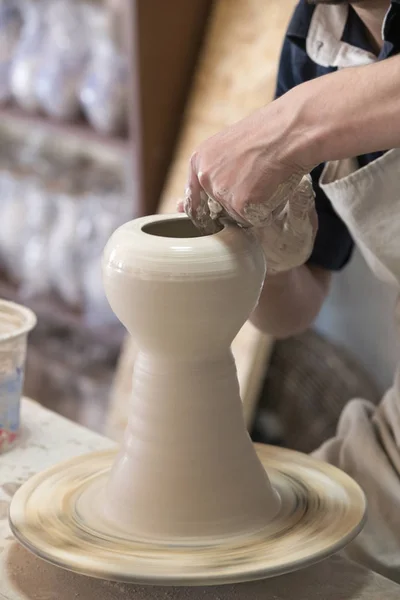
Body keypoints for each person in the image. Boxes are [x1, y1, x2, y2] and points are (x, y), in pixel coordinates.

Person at [178, 0, 400, 585]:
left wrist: (291, 128)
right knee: (256, 558)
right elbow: (296, 311)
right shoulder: (318, 39)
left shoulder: (306, 107)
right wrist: (264, 254)